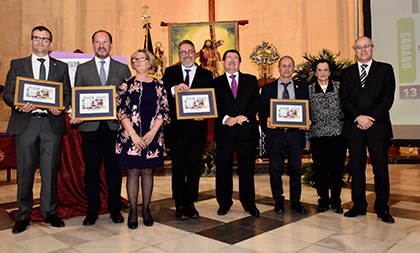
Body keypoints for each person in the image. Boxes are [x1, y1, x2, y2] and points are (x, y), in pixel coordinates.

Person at [2, 26, 71, 233]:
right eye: (37, 38)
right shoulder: (17, 65)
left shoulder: (61, 67)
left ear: (51, 44)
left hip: (51, 124)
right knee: (25, 171)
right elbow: (7, 93)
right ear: (31, 41)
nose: (41, 42)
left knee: (50, 170)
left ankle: (50, 212)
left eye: (45, 39)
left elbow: (66, 93)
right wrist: (17, 104)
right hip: (26, 123)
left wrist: (61, 107)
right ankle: (23, 215)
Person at [70, 30, 131, 226]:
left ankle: (114, 208)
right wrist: (76, 113)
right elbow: (76, 95)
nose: (101, 45)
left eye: (105, 42)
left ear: (111, 45)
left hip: (115, 127)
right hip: (90, 128)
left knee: (114, 169)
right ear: (93, 45)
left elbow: (129, 99)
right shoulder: (82, 69)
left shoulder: (122, 69)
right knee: (91, 170)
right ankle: (93, 210)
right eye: (98, 42)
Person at [339, 36, 396, 223]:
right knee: (356, 168)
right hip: (354, 127)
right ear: (354, 50)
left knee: (380, 169)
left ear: (372, 48)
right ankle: (358, 205)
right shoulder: (346, 73)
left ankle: (382, 207)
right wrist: (358, 117)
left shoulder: (385, 69)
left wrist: (370, 118)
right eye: (359, 47)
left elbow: (387, 98)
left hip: (377, 127)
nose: (363, 50)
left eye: (366, 46)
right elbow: (344, 100)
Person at [116, 49, 170, 229]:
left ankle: (146, 209)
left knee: (147, 171)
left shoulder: (159, 84)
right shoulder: (125, 84)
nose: (137, 62)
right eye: (134, 59)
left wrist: (153, 132)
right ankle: (132, 211)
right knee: (132, 172)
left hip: (152, 135)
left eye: (141, 59)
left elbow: (163, 110)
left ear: (150, 62)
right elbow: (121, 111)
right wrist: (132, 134)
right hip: (130, 135)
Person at [162, 39, 213, 219]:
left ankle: (191, 202)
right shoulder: (170, 73)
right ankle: (179, 203)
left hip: (197, 128)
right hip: (176, 129)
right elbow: (161, 96)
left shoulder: (206, 74)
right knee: (178, 166)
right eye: (183, 52)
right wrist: (174, 89)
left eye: (190, 51)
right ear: (179, 55)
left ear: (196, 53)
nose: (187, 55)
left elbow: (211, 100)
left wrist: (205, 114)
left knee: (193, 166)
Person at [260, 56, 309, 215]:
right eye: (283, 66)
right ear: (278, 69)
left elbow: (309, 110)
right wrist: (266, 120)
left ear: (294, 68)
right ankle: (278, 201)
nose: (287, 68)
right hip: (276, 135)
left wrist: (307, 120)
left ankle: (296, 201)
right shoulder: (268, 89)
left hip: (296, 135)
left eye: (290, 65)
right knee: (275, 169)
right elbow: (262, 111)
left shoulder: (303, 88)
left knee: (295, 169)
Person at [214, 49, 260, 217]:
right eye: (228, 58)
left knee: (247, 169)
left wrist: (245, 116)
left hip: (246, 131)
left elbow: (257, 101)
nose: (232, 61)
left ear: (240, 62)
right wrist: (225, 118)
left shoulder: (251, 80)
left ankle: (249, 203)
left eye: (235, 59)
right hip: (225, 131)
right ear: (223, 63)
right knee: (223, 169)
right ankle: (224, 203)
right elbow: (212, 104)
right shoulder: (216, 82)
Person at [307, 60, 347, 214]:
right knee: (321, 170)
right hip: (318, 136)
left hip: (338, 135)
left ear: (329, 72)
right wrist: (306, 140)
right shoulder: (309, 90)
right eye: (319, 70)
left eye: (325, 70)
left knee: (337, 170)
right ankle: (323, 201)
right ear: (315, 72)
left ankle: (336, 201)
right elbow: (305, 115)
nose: (322, 73)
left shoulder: (339, 87)